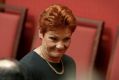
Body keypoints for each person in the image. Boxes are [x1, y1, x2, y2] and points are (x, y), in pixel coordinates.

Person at [20, 4, 77, 80]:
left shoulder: (70, 63)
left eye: (66, 39)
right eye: (54, 39)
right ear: (41, 33)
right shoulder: (26, 68)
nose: (60, 46)